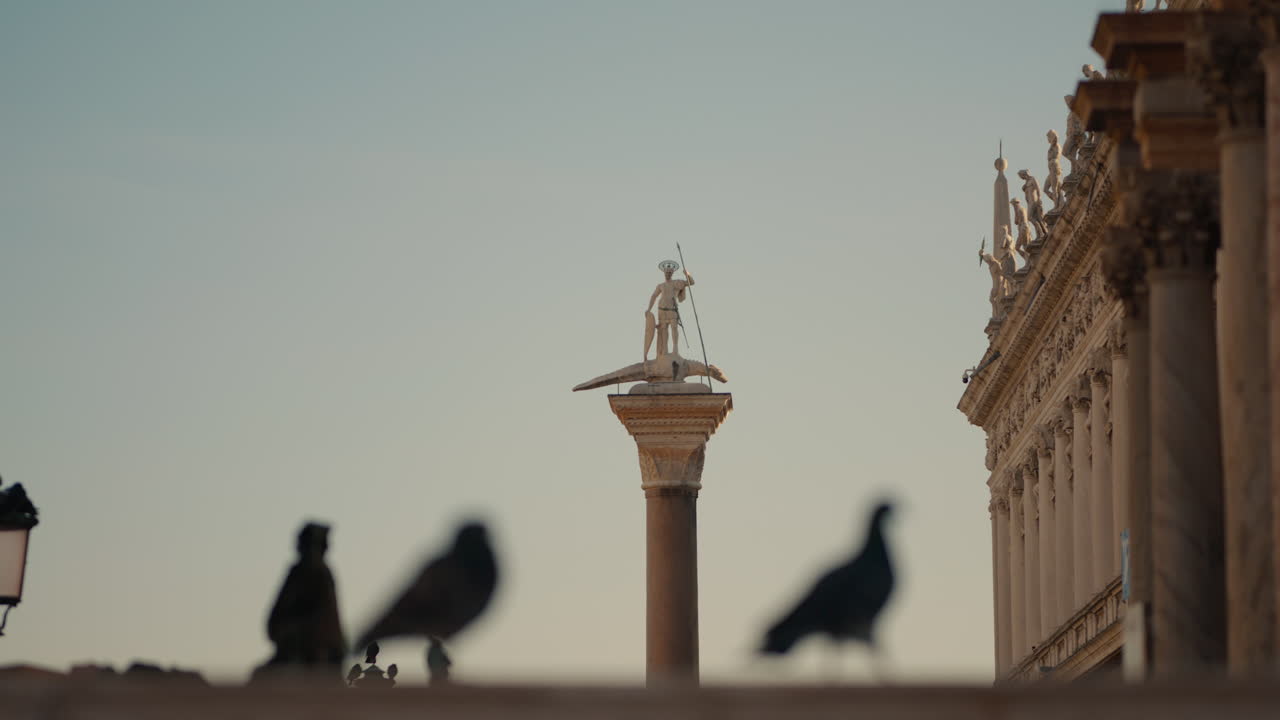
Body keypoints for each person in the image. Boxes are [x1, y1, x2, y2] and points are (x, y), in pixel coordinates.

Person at [645, 260, 694, 359]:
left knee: (674, 329)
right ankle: (665, 350)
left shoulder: (677, 283)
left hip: (672, 310)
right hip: (662, 310)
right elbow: (653, 296)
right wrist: (649, 309)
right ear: (664, 273)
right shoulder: (661, 285)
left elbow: (691, 282)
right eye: (666, 272)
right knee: (663, 331)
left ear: (672, 273)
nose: (668, 274)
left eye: (669, 272)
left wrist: (687, 274)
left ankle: (675, 349)